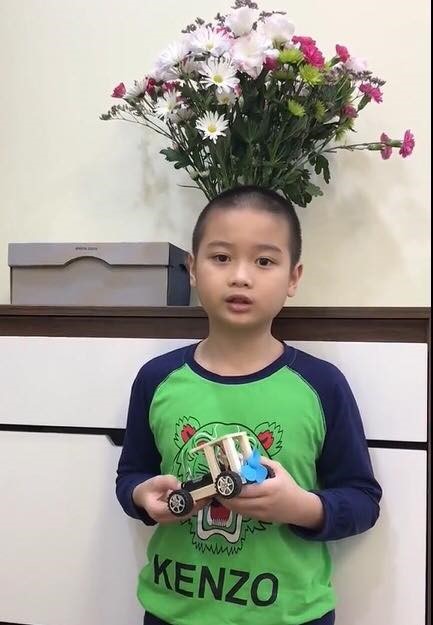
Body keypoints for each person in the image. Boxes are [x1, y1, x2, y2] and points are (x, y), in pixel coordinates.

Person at [116, 185, 382, 625]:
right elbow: (131, 475)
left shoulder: (322, 385)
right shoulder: (156, 379)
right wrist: (141, 496)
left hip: (291, 616)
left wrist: (301, 507)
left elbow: (362, 498)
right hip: (172, 611)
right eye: (221, 257)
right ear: (193, 269)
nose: (241, 276)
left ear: (293, 277)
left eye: (264, 261)